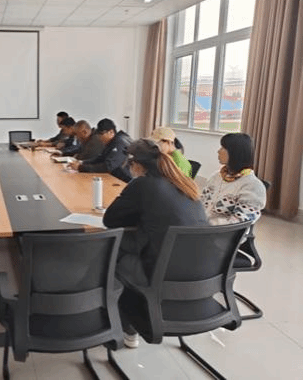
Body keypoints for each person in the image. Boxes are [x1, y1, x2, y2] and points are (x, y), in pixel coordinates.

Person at [102, 139, 208, 347]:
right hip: (200, 272)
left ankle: (127, 326)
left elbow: (110, 220)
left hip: (162, 271)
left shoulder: (142, 184)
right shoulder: (184, 182)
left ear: (136, 165)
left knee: (111, 250)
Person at [201, 133, 267, 225]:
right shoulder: (216, 176)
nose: (218, 151)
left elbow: (239, 222)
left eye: (223, 148)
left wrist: (205, 226)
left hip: (221, 232)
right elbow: (202, 202)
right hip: (201, 226)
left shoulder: (253, 186)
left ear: (236, 153)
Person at [68, 118, 132, 182]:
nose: (100, 137)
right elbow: (100, 158)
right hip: (115, 178)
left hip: (126, 181)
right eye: (98, 134)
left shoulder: (120, 142)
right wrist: (82, 162)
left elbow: (108, 167)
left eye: (101, 134)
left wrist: (81, 167)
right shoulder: (111, 142)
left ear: (111, 132)